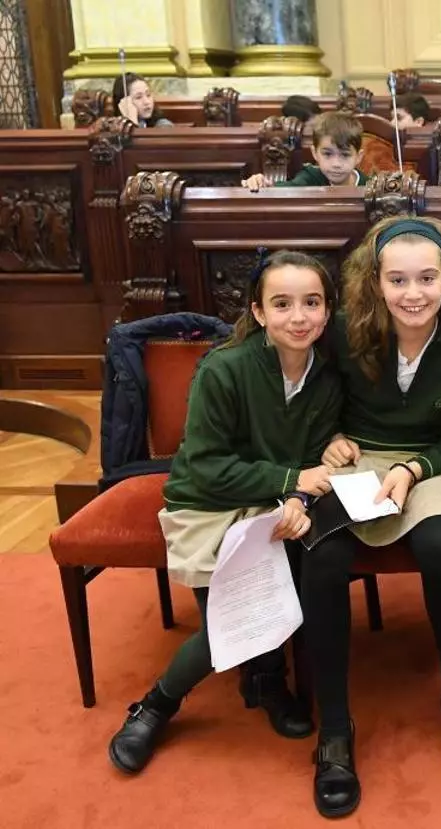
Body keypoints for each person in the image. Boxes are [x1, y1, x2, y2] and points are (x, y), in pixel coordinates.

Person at [106, 250, 342, 774]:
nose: (298, 317)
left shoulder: (327, 377)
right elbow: (206, 468)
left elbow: (311, 459)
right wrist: (291, 482)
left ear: (327, 311)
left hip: (272, 502)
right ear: (258, 311)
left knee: (297, 587)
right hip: (208, 505)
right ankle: (156, 705)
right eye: (281, 304)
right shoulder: (224, 367)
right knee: (231, 622)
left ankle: (266, 681)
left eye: (311, 303)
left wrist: (300, 496)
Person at [302, 216, 441, 817]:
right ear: (376, 282)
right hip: (359, 461)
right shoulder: (344, 332)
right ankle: (335, 729)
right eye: (398, 280)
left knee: (440, 545)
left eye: (427, 278)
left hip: (432, 465)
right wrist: (332, 438)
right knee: (322, 554)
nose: (413, 293)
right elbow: (317, 404)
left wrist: (415, 469)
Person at [242, 112, 367, 191]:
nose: (336, 164)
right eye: (327, 154)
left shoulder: (369, 186)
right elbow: (281, 189)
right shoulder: (310, 177)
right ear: (315, 153)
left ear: (358, 157)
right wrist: (261, 182)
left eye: (345, 155)